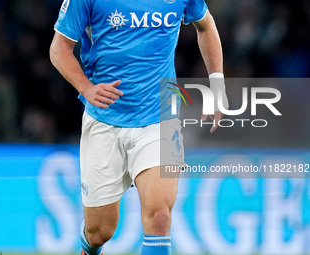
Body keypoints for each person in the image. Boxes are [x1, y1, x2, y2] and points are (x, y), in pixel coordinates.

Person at [50, 0, 228, 254]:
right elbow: (59, 48)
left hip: (160, 117)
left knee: (159, 217)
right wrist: (86, 88)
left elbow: (205, 25)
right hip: (105, 120)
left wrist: (217, 85)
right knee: (99, 231)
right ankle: (88, 248)